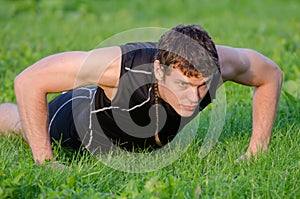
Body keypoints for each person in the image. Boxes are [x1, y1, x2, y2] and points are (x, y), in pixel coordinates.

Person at [0, 24, 282, 165]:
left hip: (125, 120)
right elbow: (29, 80)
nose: (195, 98)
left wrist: (257, 149)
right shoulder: (120, 67)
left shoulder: (219, 65)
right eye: (183, 85)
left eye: (203, 86)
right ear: (159, 71)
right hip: (78, 119)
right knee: (18, 123)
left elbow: (271, 75)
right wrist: (46, 162)